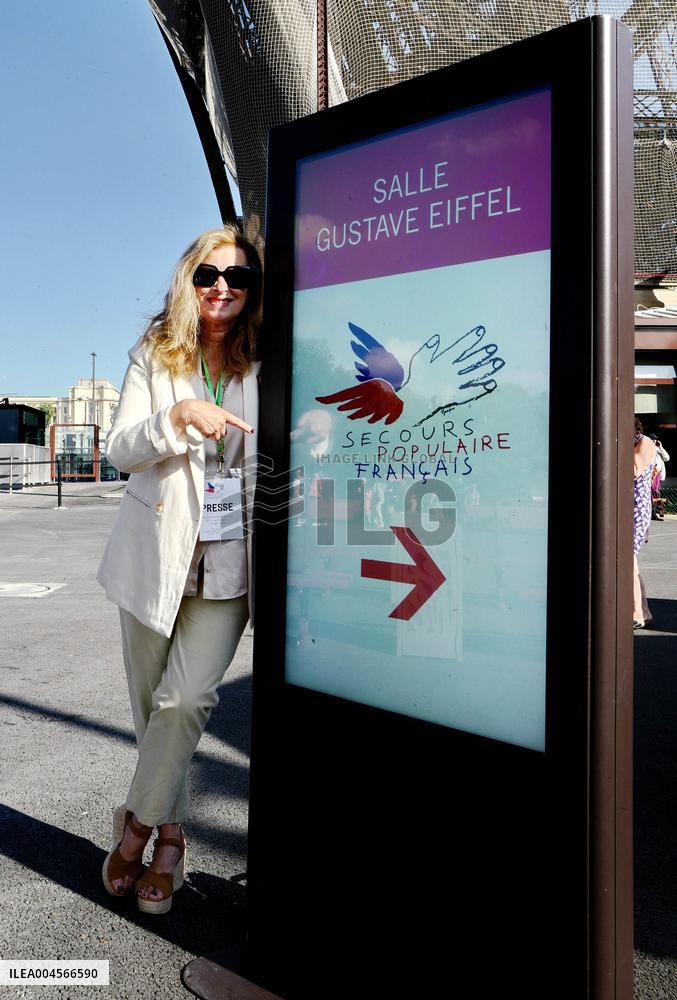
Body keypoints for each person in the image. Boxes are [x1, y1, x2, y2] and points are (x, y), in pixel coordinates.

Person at [97, 226, 262, 913]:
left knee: (185, 701)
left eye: (237, 277)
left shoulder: (267, 360)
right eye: (207, 275)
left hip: (231, 566)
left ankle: (134, 827)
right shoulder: (154, 354)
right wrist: (177, 416)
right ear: (188, 282)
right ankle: (171, 837)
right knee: (152, 713)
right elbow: (120, 449)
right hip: (153, 561)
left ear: (252, 292)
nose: (221, 287)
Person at [633, 417, 657, 628]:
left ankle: (637, 613)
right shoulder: (634, 443)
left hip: (636, 509)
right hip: (625, 507)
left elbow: (633, 469)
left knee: (626, 560)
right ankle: (644, 612)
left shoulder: (645, 443)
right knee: (631, 563)